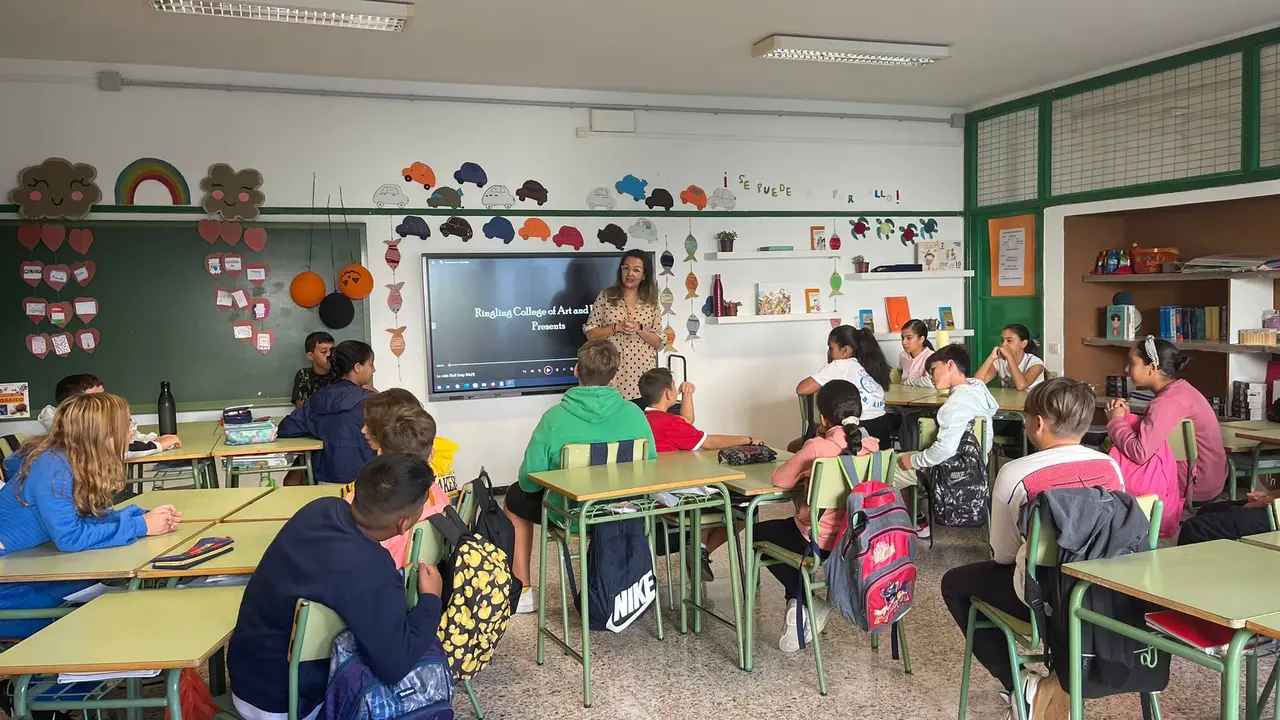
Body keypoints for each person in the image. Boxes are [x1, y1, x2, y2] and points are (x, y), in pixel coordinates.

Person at [941, 378, 1119, 719]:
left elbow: (1002, 555)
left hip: (1042, 600)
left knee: (955, 583)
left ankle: (1020, 681)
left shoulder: (1016, 473)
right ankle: (1053, 680)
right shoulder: (1109, 467)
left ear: (1038, 424)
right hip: (1103, 597)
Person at [228, 453, 443, 720]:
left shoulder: (319, 508)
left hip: (246, 678)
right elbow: (394, 665)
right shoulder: (373, 572)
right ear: (405, 524)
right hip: (287, 704)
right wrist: (431, 600)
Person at [0, 393, 183, 638]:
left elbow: (81, 518)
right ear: (101, 434)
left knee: (113, 592)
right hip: (8, 590)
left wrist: (134, 517)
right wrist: (139, 526)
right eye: (126, 425)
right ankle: (53, 675)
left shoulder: (69, 460)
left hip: (19, 571)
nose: (131, 431)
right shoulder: (53, 468)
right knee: (97, 618)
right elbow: (69, 537)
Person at [503, 339, 657, 613]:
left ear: (576, 370)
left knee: (514, 499)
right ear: (615, 376)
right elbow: (651, 467)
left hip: (570, 514)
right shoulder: (636, 414)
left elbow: (529, 479)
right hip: (624, 512)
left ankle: (523, 590)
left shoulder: (554, 417)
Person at [757, 380, 878, 652]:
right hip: (859, 542)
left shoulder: (816, 447)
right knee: (789, 532)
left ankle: (806, 600)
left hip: (819, 542)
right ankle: (799, 605)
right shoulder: (873, 447)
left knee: (759, 533)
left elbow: (780, 480)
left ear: (822, 417)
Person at [637, 367, 757, 581]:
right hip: (679, 497)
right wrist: (746, 439)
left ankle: (698, 549)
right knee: (744, 509)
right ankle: (700, 549)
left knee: (712, 496)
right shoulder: (670, 424)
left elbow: (686, 422)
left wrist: (688, 396)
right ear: (668, 394)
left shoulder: (640, 420)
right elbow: (708, 441)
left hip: (652, 494)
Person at [1108, 337, 1228, 521]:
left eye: (1132, 363)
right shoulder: (1182, 391)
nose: (1126, 369)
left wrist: (1116, 421)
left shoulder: (1167, 403)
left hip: (1196, 486)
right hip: (1209, 478)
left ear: (1152, 368)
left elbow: (1140, 453)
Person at [894, 345, 998, 537]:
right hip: (977, 465)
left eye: (933, 370)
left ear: (950, 364)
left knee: (887, 468)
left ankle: (910, 524)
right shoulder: (977, 389)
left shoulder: (955, 404)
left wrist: (915, 460)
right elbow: (979, 380)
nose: (930, 376)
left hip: (952, 470)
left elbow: (945, 450)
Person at [344, 388, 451, 567]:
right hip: (422, 573)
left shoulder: (364, 501)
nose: (364, 430)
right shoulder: (438, 495)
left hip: (383, 574)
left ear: (380, 453)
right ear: (431, 454)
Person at [279, 340, 376, 485]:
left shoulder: (317, 398)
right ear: (357, 367)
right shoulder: (372, 401)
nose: (373, 370)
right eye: (371, 364)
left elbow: (285, 429)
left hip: (325, 479)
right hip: (368, 479)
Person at [37, 374, 181, 460]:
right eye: (97, 399)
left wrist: (153, 440)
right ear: (76, 405)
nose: (104, 403)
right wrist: (158, 445)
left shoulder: (92, 421)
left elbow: (128, 438)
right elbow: (116, 450)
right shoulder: (70, 432)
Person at [792, 325, 892, 450]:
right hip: (881, 439)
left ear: (845, 350)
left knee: (796, 446)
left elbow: (802, 389)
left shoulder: (841, 364)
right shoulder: (868, 365)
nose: (828, 353)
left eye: (831, 348)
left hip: (856, 435)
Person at [583, 249, 663, 401]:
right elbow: (590, 334)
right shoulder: (606, 296)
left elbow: (659, 343)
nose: (630, 274)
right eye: (625, 268)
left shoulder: (651, 302)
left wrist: (640, 329)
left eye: (636, 270)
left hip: (643, 382)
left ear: (644, 275)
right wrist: (615, 328)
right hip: (610, 379)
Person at [975, 324, 1046, 391]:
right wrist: (991, 358)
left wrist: (1009, 357)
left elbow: (1021, 386)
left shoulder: (1036, 363)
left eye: (1009, 341)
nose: (1003, 344)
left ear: (1023, 344)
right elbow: (976, 383)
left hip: (1030, 402)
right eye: (1002, 340)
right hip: (1007, 402)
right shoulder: (1000, 361)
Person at [292, 331, 335, 408]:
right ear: (311, 356)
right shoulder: (304, 375)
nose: (329, 355)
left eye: (332, 351)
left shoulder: (340, 373)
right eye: (324, 352)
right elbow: (301, 410)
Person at [899, 320, 936, 387]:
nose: (904, 342)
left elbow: (931, 382)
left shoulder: (931, 357)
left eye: (908, 338)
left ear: (921, 339)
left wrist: (909, 381)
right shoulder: (903, 356)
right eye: (902, 338)